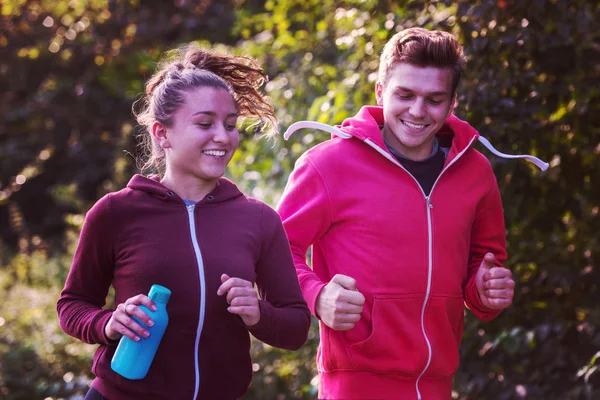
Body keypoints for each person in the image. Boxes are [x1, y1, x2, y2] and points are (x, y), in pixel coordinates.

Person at [276, 27, 548, 400]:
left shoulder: (476, 171)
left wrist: (488, 289)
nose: (418, 112)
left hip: (439, 383)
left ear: (452, 102)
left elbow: (482, 269)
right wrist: (317, 296)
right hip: (356, 383)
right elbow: (274, 250)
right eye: (405, 95)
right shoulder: (327, 164)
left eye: (434, 99)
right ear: (380, 91)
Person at [57, 44, 311, 400]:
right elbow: (72, 305)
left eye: (231, 124)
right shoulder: (115, 212)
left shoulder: (259, 220)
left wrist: (258, 313)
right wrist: (108, 322)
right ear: (162, 134)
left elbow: (296, 327)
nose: (223, 137)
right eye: (205, 124)